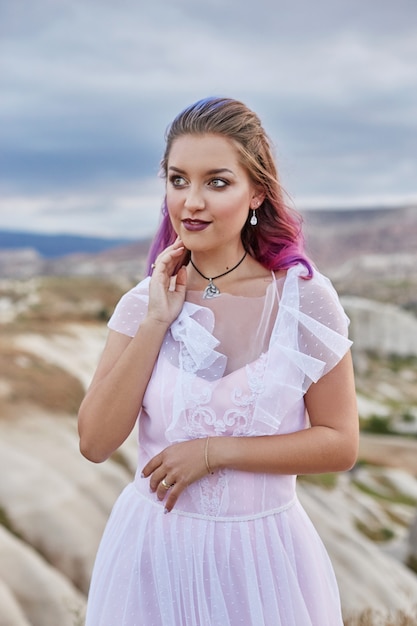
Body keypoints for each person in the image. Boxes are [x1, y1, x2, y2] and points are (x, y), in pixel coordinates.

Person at [78, 96, 359, 626]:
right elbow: (94, 441)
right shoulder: (142, 303)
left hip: (264, 560)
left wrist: (213, 452)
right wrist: (157, 322)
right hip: (153, 556)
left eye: (217, 181)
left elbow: (340, 443)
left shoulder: (306, 299)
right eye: (178, 179)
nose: (191, 201)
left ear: (256, 192)